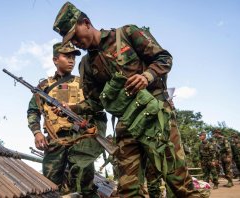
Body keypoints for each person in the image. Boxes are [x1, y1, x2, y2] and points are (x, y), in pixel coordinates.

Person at [52, 2, 200, 197]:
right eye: (69, 39)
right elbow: (95, 103)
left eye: (75, 36)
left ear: (86, 23)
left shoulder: (128, 33)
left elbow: (164, 58)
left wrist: (147, 76)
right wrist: (71, 108)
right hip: (127, 125)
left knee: (178, 182)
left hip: (154, 116)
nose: (74, 43)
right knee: (128, 190)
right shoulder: (86, 65)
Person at [26, 41, 107, 197]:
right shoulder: (44, 86)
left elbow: (97, 107)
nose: (71, 60)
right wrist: (36, 133)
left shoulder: (84, 83)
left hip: (81, 141)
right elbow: (33, 111)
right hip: (55, 141)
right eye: (66, 56)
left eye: (73, 57)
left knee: (85, 185)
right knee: (50, 186)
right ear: (55, 60)